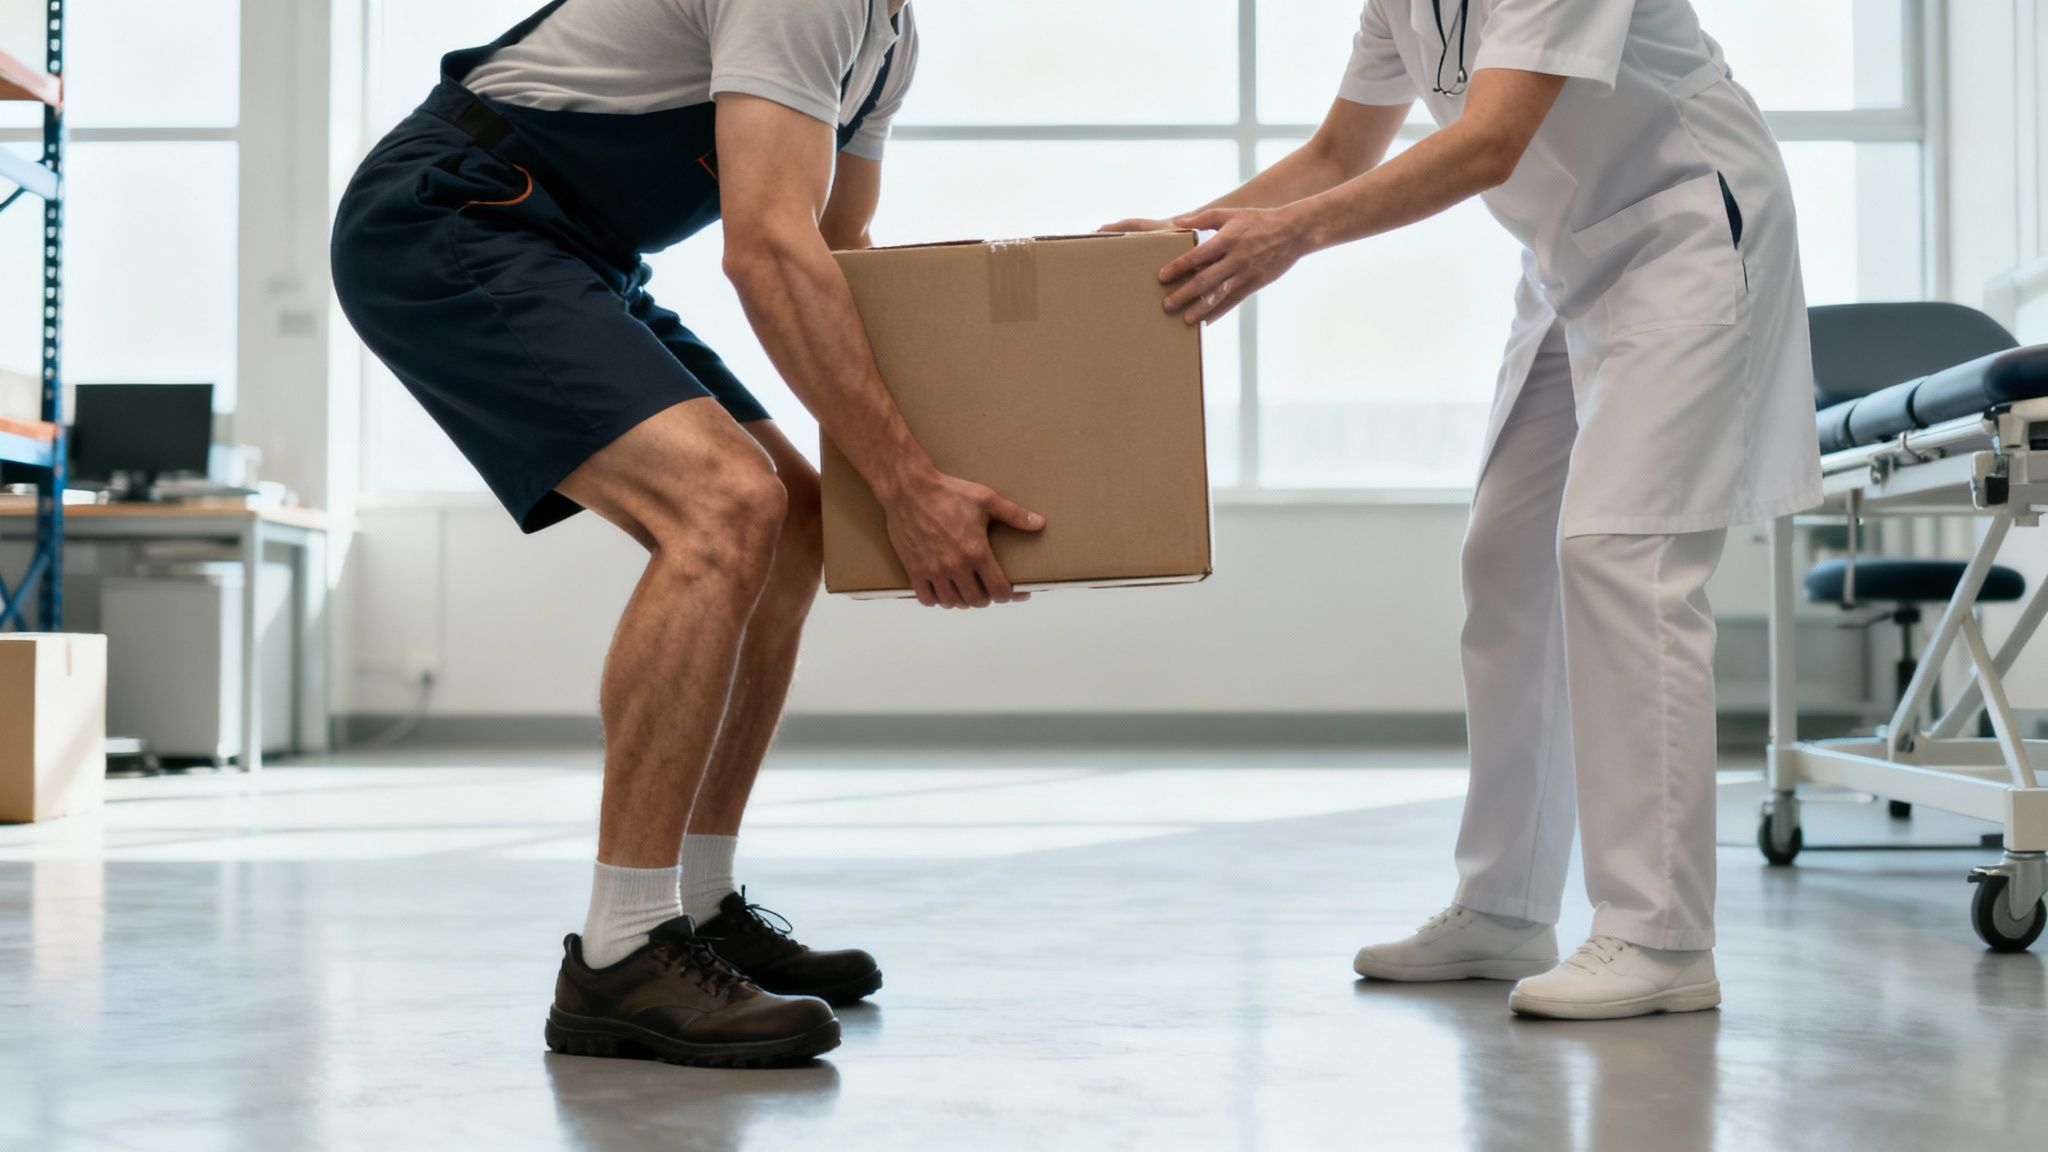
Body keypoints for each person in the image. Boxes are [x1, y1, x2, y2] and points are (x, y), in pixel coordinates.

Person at [334, 0, 1043, 1067]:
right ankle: (622, 950)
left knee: (798, 518)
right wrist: (904, 487)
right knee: (724, 502)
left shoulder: (887, 40)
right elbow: (766, 253)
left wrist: (941, 465)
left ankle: (699, 908)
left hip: (580, 251)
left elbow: (838, 255)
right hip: (456, 215)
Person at [1108, 0, 1819, 1020]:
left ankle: (1660, 936)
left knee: (1622, 555)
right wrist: (1189, 235)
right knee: (1506, 560)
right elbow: (1337, 151)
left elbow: (1489, 143)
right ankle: (1503, 905)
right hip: (1571, 266)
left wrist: (1288, 238)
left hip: (1688, 237)